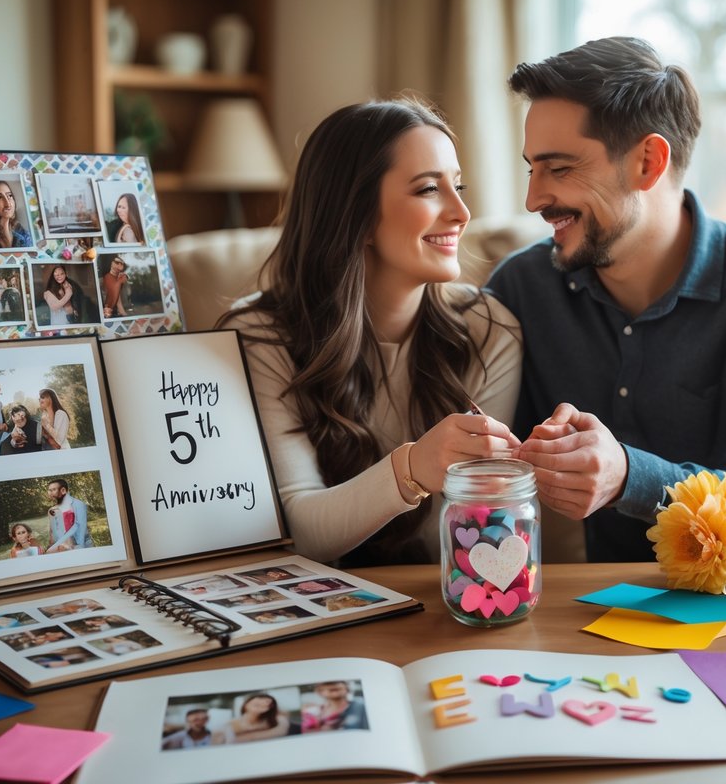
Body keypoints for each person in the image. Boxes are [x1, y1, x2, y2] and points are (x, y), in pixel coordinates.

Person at [484, 37, 726, 562]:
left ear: (648, 162)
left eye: (558, 169)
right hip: (599, 605)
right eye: (531, 168)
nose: (533, 199)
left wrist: (630, 475)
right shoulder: (521, 287)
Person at [219, 98, 522, 566]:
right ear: (355, 213)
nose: (462, 211)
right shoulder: (261, 336)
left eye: (458, 186)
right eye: (428, 189)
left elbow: (474, 534)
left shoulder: (490, 332)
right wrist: (414, 467)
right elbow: (299, 529)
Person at [211, 694, 291, 744]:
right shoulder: (226, 726)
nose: (263, 703)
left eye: (267, 704)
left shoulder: (278, 721)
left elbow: (281, 730)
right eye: (258, 702)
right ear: (245, 704)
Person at [45, 477, 93, 552]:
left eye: (54, 490)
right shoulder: (52, 510)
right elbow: (52, 531)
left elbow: (80, 528)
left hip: (81, 543)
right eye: (49, 490)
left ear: (63, 490)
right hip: (65, 545)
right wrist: (51, 545)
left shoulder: (77, 504)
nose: (51, 493)